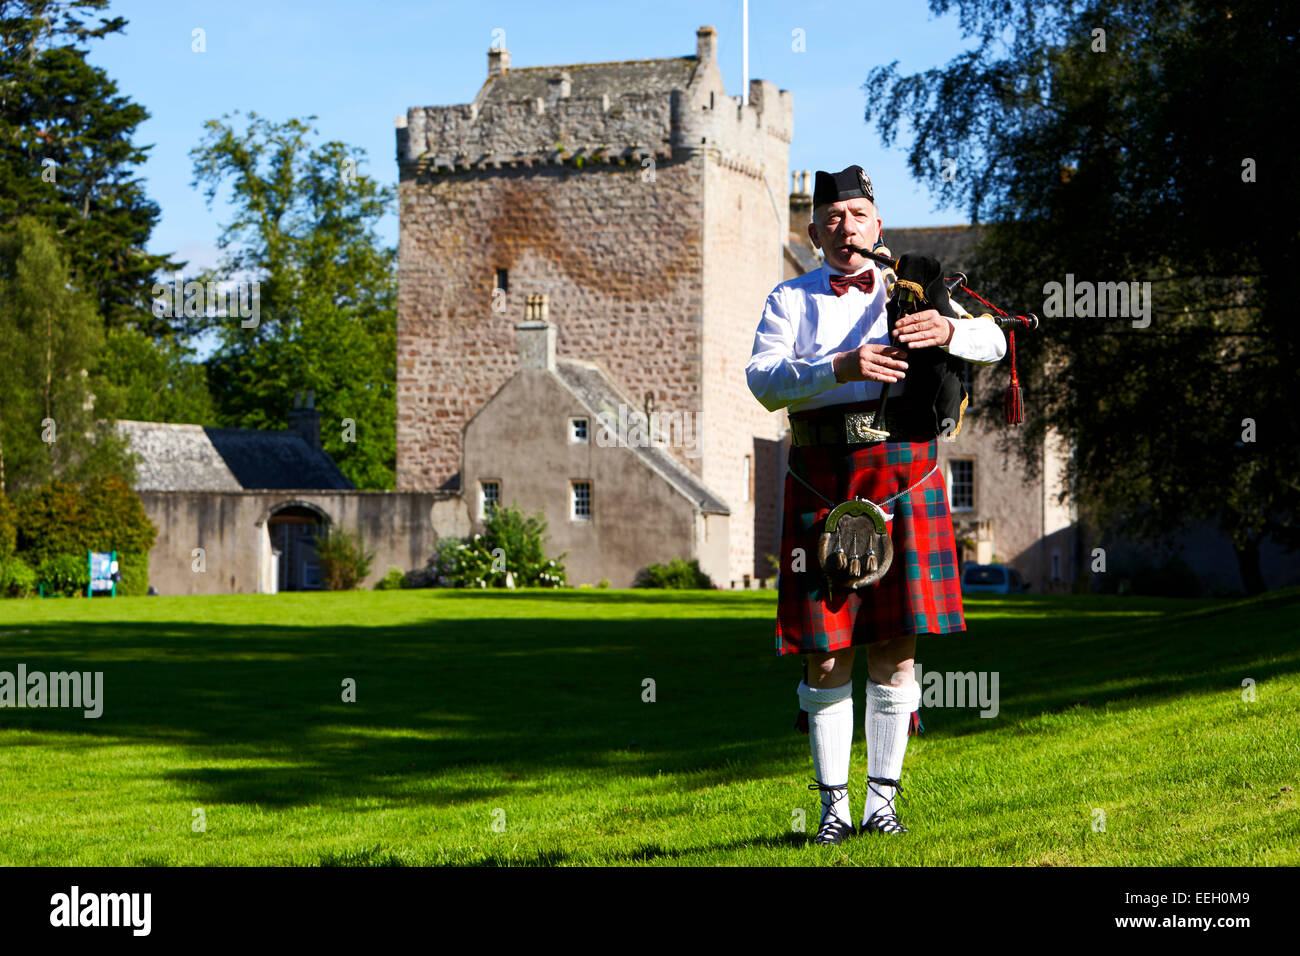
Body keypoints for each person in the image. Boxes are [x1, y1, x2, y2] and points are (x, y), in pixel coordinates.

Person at [746, 165, 1006, 844]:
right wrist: (840, 367)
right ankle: (833, 806)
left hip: (904, 473)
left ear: (877, 225)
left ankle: (881, 803)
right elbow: (763, 383)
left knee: (895, 647)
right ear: (813, 231)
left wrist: (949, 334)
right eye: (832, 219)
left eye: (858, 216)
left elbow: (998, 338)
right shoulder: (790, 299)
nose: (846, 228)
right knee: (826, 651)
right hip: (820, 476)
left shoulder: (916, 285)